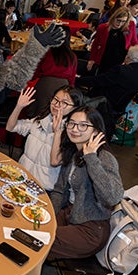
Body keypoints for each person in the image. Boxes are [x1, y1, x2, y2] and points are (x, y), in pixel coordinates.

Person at [49, 106, 124, 259]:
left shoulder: (104, 158)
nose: (75, 129)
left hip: (92, 229)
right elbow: (60, 190)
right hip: (70, 214)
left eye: (83, 125)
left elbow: (113, 197)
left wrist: (91, 159)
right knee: (33, 227)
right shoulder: (74, 152)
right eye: (71, 123)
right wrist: (49, 215)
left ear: (96, 131)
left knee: (39, 239)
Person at [6, 86, 83, 191]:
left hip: (43, 187)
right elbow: (10, 127)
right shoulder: (40, 120)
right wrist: (19, 107)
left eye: (64, 103)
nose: (57, 105)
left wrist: (57, 132)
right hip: (21, 176)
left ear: (75, 108)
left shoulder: (72, 133)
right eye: (55, 99)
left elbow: (54, 162)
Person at [78, 44, 138, 113]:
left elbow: (97, 81)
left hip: (100, 104)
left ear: (128, 57)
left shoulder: (121, 70)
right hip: (119, 110)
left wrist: (78, 79)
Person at [87, 6, 137, 74]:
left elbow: (134, 42)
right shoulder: (103, 28)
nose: (120, 24)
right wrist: (92, 59)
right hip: (105, 59)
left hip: (121, 61)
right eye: (118, 20)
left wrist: (131, 59)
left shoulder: (130, 26)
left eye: (123, 21)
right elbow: (95, 44)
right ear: (113, 18)